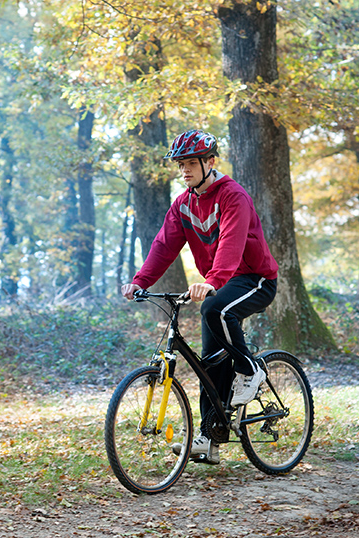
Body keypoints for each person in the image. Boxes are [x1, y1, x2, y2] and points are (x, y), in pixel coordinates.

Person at [121, 129, 279, 465]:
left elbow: (231, 244)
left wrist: (213, 281)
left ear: (210, 162)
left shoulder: (232, 196)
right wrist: (140, 281)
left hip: (255, 278)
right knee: (210, 362)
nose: (185, 170)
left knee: (215, 308)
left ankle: (251, 370)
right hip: (220, 282)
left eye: (191, 163)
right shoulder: (183, 204)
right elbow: (164, 247)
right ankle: (209, 436)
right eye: (181, 165)